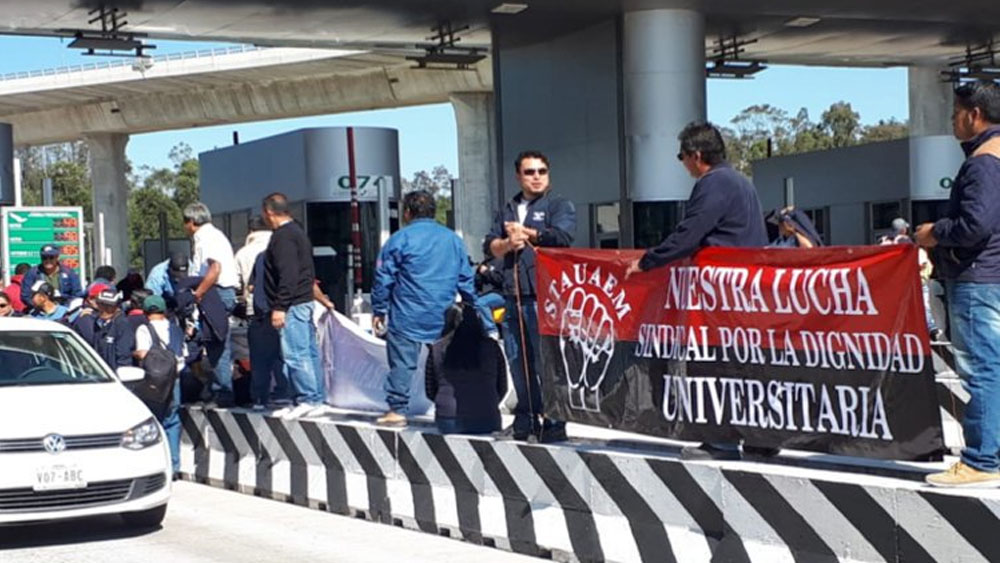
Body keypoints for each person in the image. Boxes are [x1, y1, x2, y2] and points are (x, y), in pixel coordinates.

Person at [625, 121, 768, 461]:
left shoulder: (713, 183)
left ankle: (721, 440)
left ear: (697, 155)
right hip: (748, 289)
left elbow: (689, 233)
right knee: (749, 365)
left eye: (681, 157)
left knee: (714, 364)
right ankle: (762, 437)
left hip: (723, 290)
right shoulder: (741, 183)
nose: (682, 164)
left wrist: (648, 261)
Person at [916, 80, 1000, 487]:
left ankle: (981, 461)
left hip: (977, 279)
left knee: (981, 369)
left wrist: (933, 231)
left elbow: (975, 225)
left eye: (955, 115)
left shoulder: (983, 162)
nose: (953, 123)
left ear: (975, 115)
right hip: (994, 276)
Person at [373, 190, 490, 428]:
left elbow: (383, 278)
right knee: (446, 364)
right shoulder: (453, 240)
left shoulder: (399, 239)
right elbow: (465, 278)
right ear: (433, 212)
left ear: (407, 213)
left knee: (403, 365)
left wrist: (378, 309)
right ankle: (449, 407)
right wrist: (472, 306)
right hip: (443, 315)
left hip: (406, 314)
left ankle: (397, 410)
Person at [484, 150, 575, 443]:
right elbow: (490, 246)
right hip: (512, 295)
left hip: (544, 296)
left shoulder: (559, 204)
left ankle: (554, 421)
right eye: (530, 172)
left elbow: (563, 238)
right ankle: (525, 419)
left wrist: (529, 234)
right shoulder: (508, 208)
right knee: (517, 359)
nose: (536, 177)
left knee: (547, 362)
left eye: (541, 171)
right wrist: (508, 242)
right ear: (518, 176)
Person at [261, 193, 325, 419]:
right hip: (303, 300)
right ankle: (314, 396)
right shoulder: (298, 233)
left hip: (293, 304)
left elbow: (288, 273)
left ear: (269, 212)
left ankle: (308, 397)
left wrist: (280, 306)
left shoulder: (283, 237)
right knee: (308, 351)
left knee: (296, 353)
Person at [184, 202, 239, 408]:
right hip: (218, 292)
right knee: (215, 342)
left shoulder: (206, 238)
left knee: (217, 344)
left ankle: (223, 392)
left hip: (216, 293)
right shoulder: (214, 236)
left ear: (191, 221)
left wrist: (198, 293)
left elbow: (214, 269)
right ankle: (220, 388)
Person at [133, 295, 186, 477]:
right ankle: (174, 466)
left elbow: (142, 353)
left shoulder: (144, 329)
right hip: (175, 379)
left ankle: (156, 466)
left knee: (153, 421)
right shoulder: (176, 329)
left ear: (146, 312)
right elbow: (183, 353)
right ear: (163, 311)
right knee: (172, 421)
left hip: (153, 382)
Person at [880, 218, 941, 341]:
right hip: (913, 280)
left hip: (892, 282)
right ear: (903, 230)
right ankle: (931, 329)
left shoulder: (884, 242)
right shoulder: (907, 243)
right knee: (923, 305)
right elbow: (920, 262)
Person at [91, 289, 135, 369]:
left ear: (117, 307)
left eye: (109, 306)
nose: (104, 309)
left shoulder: (122, 324)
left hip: (115, 374)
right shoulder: (97, 322)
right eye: (101, 305)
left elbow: (124, 355)